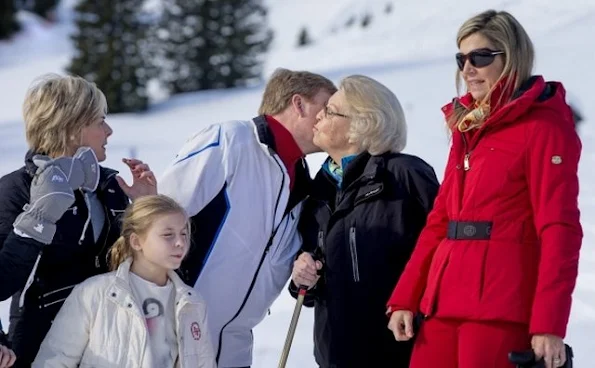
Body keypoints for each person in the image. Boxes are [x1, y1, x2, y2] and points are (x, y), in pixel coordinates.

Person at [386, 9, 582, 368]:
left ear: (512, 57)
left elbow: (560, 229)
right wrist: (406, 297)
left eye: (480, 57)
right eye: (462, 58)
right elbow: (440, 220)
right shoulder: (467, 126)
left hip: (501, 305)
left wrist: (549, 324)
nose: (468, 69)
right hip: (443, 302)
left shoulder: (544, 127)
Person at [158, 68, 337, 367]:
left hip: (235, 346)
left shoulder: (306, 184)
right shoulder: (232, 140)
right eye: (326, 108)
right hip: (174, 337)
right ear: (299, 104)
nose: (329, 119)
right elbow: (158, 216)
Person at [0, 74, 156, 367]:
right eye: (100, 121)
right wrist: (39, 216)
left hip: (110, 347)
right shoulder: (16, 189)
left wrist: (148, 209)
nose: (108, 131)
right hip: (38, 349)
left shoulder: (111, 185)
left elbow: (146, 271)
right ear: (71, 127)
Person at [289, 75, 439, 367]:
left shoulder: (405, 176)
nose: (319, 115)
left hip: (401, 351)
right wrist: (302, 275)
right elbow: (309, 283)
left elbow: (446, 254)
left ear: (361, 126)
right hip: (337, 355)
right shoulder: (318, 189)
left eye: (330, 111)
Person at [32, 194, 216, 368]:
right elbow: (54, 360)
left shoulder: (193, 303)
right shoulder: (94, 293)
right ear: (136, 242)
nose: (180, 243)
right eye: (168, 235)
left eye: (184, 234)